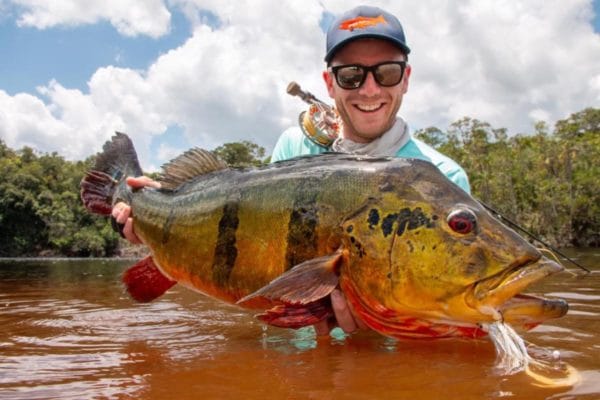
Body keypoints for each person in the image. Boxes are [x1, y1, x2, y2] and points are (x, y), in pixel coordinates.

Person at [112, 5, 470, 337]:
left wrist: (379, 329)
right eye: (351, 76)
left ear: (405, 79)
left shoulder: (443, 179)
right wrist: (155, 213)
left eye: (387, 73)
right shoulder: (293, 147)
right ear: (330, 84)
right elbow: (244, 241)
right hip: (290, 364)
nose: (369, 88)